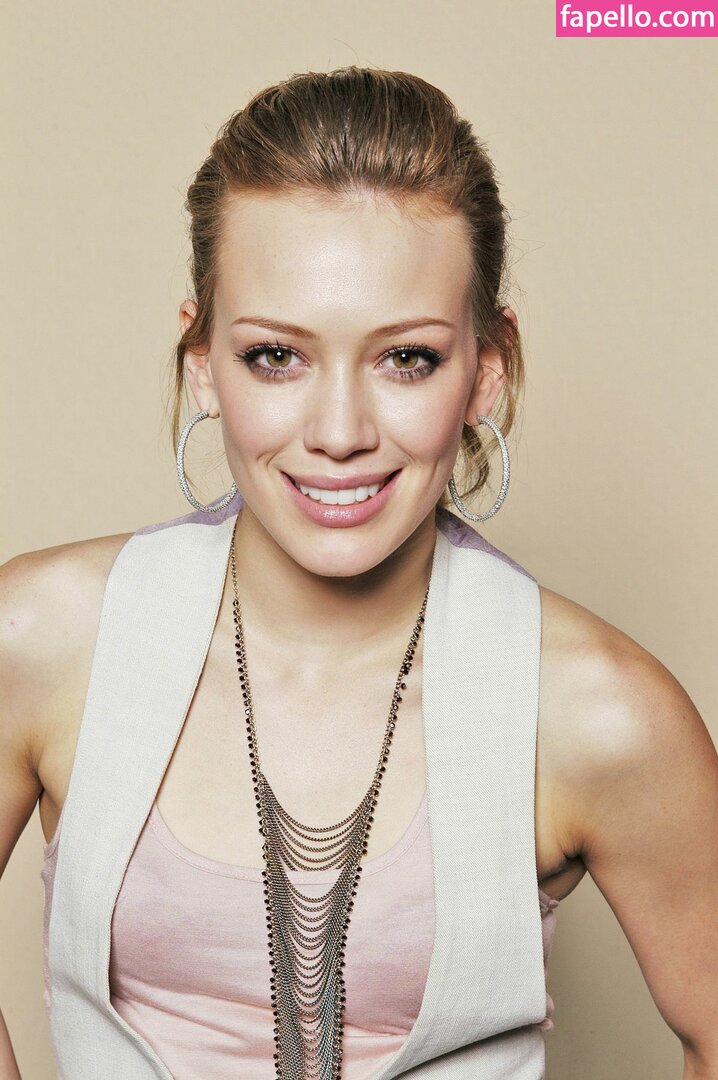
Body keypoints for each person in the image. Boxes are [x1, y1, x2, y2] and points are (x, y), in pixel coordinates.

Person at [1, 66, 716, 1080]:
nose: (339, 433)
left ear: (487, 367)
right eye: (276, 356)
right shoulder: (41, 639)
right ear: (202, 361)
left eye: (406, 358)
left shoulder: (598, 712)